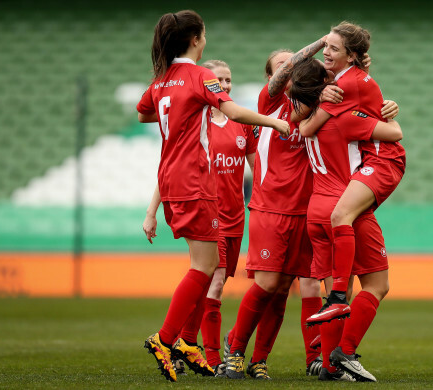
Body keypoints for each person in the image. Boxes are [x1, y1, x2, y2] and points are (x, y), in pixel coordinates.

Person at [137, 10, 289, 382]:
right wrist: (273, 121)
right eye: (203, 36)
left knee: (206, 268)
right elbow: (232, 109)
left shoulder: (162, 80)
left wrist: (183, 113)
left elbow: (144, 114)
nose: (205, 41)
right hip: (194, 182)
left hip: (171, 180)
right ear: (195, 40)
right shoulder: (198, 75)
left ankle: (187, 341)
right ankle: (166, 338)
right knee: (205, 268)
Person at [294, 22, 406, 382]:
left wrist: (331, 90)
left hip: (339, 190)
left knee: (340, 282)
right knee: (375, 284)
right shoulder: (344, 87)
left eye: (333, 48)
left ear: (352, 56)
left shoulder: (338, 90)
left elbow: (304, 125)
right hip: (351, 187)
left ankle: (331, 356)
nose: (326, 52)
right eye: (325, 47)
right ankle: (341, 348)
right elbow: (392, 130)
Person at [142, 59, 258, 377]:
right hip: (206, 208)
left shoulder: (241, 124)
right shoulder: (196, 116)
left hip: (234, 215)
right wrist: (151, 212)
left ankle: (185, 345)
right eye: (218, 79)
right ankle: (207, 353)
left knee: (209, 279)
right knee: (214, 281)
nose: (224, 85)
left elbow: (257, 169)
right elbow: (170, 168)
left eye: (229, 79)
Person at [223, 37, 330, 381]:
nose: (291, 68)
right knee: (267, 284)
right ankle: (234, 350)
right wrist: (322, 43)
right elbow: (285, 72)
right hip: (271, 208)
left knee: (285, 288)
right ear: (273, 74)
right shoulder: (268, 105)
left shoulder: (313, 106)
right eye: (283, 65)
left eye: (294, 65)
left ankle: (260, 360)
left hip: (306, 211)